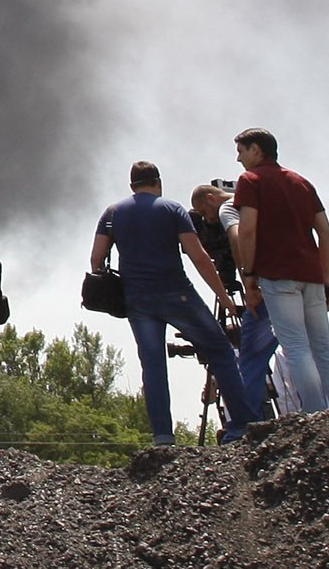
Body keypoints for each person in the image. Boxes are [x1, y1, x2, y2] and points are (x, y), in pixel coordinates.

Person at [90, 161, 256, 446]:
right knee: (220, 351)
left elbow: (96, 259)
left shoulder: (112, 213)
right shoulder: (172, 209)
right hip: (177, 293)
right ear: (157, 182)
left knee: (152, 366)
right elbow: (199, 257)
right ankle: (240, 426)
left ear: (132, 186)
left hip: (137, 300)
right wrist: (224, 297)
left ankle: (163, 439)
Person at [230, 128, 329, 413]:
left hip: (277, 273)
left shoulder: (250, 181)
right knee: (325, 349)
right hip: (311, 275)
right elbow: (326, 233)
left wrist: (248, 275)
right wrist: (326, 278)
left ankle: (314, 416)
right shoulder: (301, 182)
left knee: (296, 347)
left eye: (241, 151)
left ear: (256, 150)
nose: (239, 159)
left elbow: (246, 229)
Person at [190, 183, 275, 421]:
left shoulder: (229, 210)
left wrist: (247, 282)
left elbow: (237, 239)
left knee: (251, 356)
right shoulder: (253, 201)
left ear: (210, 199)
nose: (209, 220)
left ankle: (248, 420)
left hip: (261, 286)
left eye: (206, 213)